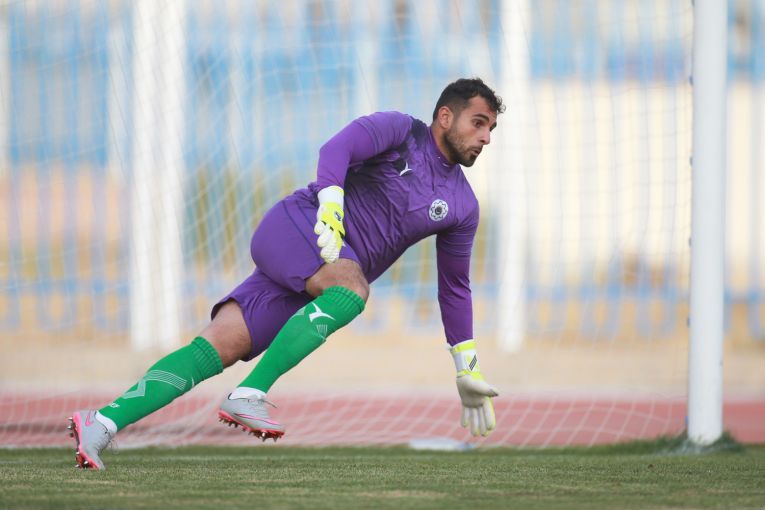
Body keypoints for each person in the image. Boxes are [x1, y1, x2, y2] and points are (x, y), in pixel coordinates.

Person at [68, 77, 504, 470]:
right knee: (353, 289)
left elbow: (454, 288)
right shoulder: (400, 130)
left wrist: (466, 366)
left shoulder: (463, 206)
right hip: (297, 228)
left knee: (216, 346)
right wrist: (331, 204)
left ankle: (101, 422)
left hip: (316, 278)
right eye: (478, 123)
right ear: (445, 116)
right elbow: (335, 150)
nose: (485, 137)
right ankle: (249, 394)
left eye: (491, 129)